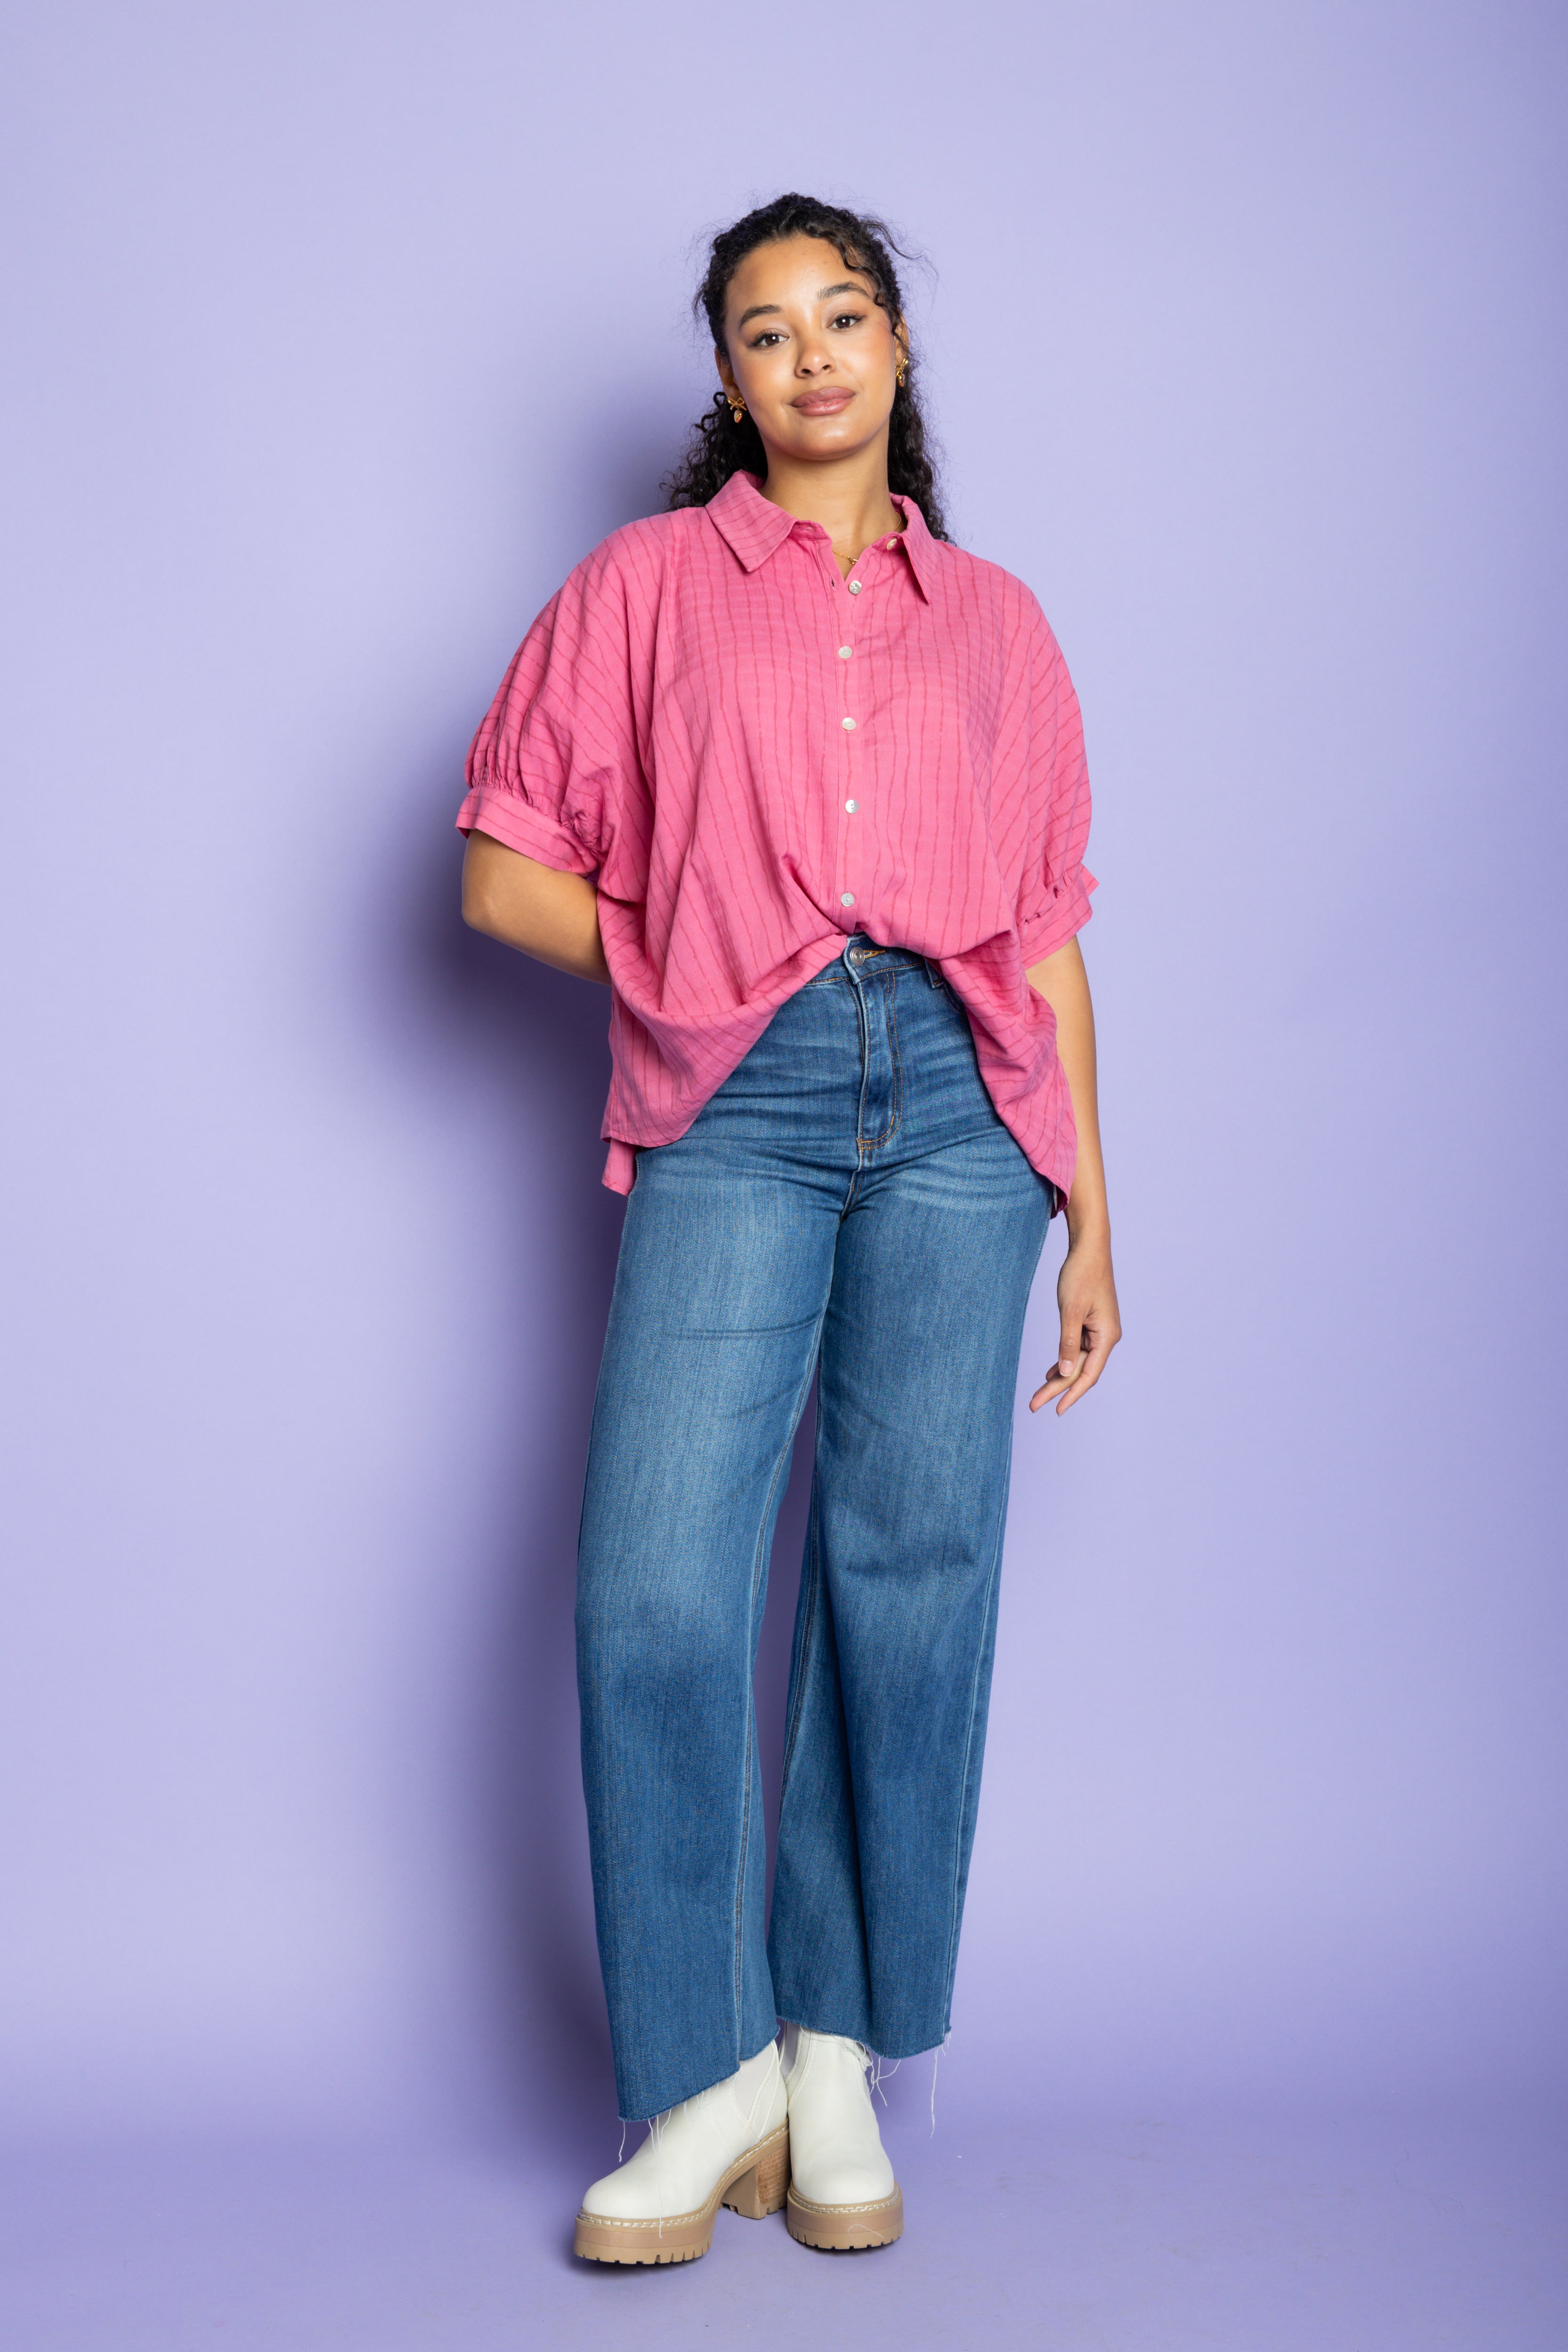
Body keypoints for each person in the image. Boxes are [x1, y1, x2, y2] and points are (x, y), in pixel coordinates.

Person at [457, 193, 1121, 2265]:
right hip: (729, 1099)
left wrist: (1094, 1205)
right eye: (765, 329)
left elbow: (1045, 940)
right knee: (658, 1584)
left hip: (961, 1112)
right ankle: (706, 2067)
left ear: (898, 351)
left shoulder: (997, 623)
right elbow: (496, 876)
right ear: (727, 381)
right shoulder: (644, 588)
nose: (811, 352)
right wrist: (678, 968)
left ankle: (833, 2046)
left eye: (846, 315)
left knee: (904, 1582)